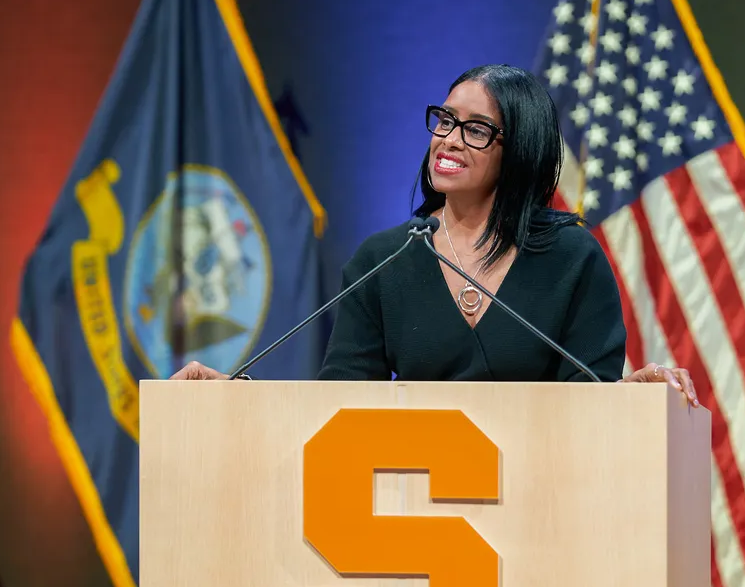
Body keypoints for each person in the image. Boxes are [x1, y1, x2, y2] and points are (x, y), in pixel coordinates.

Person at [170, 64, 699, 405]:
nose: (447, 139)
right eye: (445, 120)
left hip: (545, 511)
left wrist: (631, 399)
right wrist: (238, 399)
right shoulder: (387, 259)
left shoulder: (570, 257)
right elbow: (339, 402)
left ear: (519, 151)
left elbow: (592, 403)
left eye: (475, 129)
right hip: (414, 512)